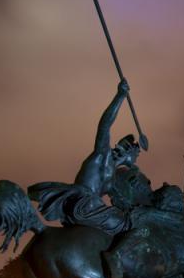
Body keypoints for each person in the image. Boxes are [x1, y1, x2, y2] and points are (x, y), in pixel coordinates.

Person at [29, 79, 140, 234]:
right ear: (128, 153)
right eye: (136, 153)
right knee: (128, 227)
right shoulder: (103, 155)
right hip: (84, 203)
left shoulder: (112, 176)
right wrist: (120, 96)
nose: (136, 159)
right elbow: (104, 125)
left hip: (89, 205)